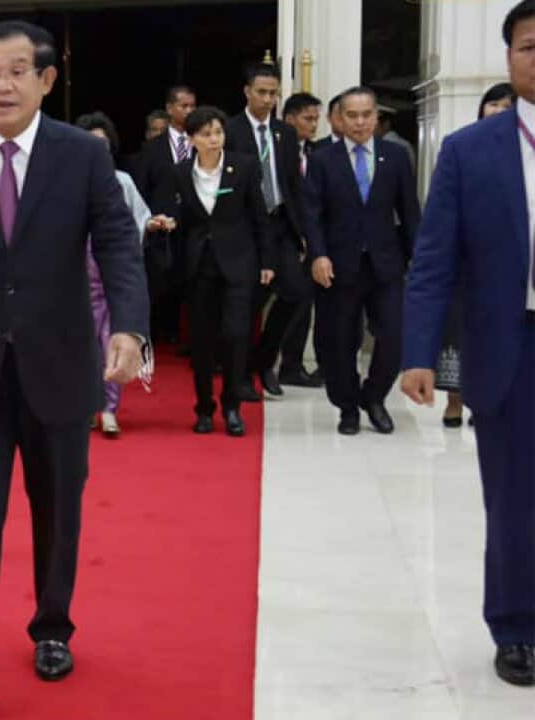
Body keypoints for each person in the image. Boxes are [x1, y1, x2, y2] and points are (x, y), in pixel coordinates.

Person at [0, 20, 149, 712]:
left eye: (17, 70)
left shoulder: (81, 156)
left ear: (45, 80)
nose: (2, 84)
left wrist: (130, 325)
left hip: (60, 364)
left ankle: (51, 627)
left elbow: (116, 243)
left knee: (56, 510)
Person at [402, 2, 535, 686]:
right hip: (512, 348)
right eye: (529, 46)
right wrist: (419, 351)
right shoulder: (467, 151)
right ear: (508, 58)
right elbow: (433, 261)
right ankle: (516, 627)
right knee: (515, 497)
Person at [305, 86, 421, 435]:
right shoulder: (323, 159)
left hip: (386, 264)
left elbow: (410, 212)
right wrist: (318, 254)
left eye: (366, 114)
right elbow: (312, 213)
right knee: (340, 340)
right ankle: (347, 406)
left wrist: (422, 260)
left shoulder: (396, 156)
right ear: (339, 118)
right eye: (351, 115)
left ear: (376, 116)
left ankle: (373, 396)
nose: (359, 122)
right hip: (338, 265)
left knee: (394, 335)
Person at [157, 106, 273, 436]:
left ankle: (233, 406)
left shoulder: (245, 167)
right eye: (206, 134)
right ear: (192, 139)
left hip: (238, 264)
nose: (213, 139)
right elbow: (176, 214)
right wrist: (168, 221)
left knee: (237, 336)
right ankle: (204, 408)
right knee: (202, 342)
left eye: (218, 133)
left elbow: (259, 217)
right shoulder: (180, 173)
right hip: (198, 267)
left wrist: (267, 261)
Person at [434, 82, 516, 428]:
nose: (497, 111)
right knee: (456, 332)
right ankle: (454, 400)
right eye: (492, 104)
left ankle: (486, 401)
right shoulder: (461, 147)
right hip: (463, 259)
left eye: (505, 106)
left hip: (508, 263)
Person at [224, 64, 307, 402]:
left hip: (281, 226)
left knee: (296, 293)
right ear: (247, 91)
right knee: (247, 306)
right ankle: (241, 375)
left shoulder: (284, 134)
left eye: (274, 93)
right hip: (246, 230)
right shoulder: (229, 130)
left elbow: (293, 185)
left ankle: (262, 361)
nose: (269, 99)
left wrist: (305, 235)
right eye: (262, 92)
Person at [75, 111, 160, 437]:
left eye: (104, 145)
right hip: (76, 277)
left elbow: (139, 219)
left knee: (113, 342)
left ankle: (109, 409)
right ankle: (84, 407)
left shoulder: (121, 181)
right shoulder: (65, 180)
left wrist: (152, 224)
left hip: (109, 274)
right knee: (81, 348)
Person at [133, 85, 198, 344]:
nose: (189, 111)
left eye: (193, 106)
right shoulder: (153, 148)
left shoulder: (203, 142)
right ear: (170, 109)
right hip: (161, 230)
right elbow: (141, 189)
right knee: (158, 285)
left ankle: (186, 339)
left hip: (193, 227)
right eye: (184, 106)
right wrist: (150, 220)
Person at [278, 91, 326, 388]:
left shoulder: (317, 153)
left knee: (304, 303)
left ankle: (292, 366)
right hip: (283, 237)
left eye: (316, 119)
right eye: (308, 119)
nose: (313, 125)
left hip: (314, 240)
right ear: (289, 119)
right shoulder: (277, 150)